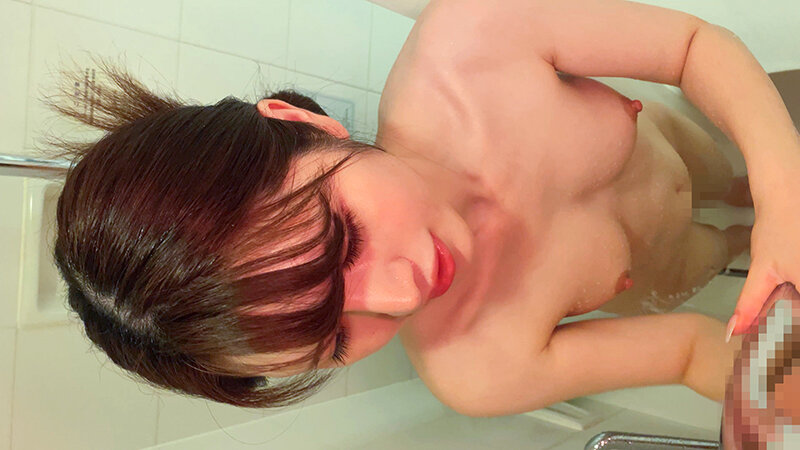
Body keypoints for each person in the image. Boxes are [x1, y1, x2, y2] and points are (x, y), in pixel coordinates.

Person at [46, 0, 800, 416]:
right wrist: (775, 398)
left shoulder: (472, 43)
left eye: (345, 241)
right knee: (729, 242)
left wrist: (781, 190)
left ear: (301, 123)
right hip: (673, 266)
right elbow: (691, 352)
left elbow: (693, 47)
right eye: (338, 337)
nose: (403, 296)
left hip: (675, 142)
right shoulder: (479, 369)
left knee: (741, 185)